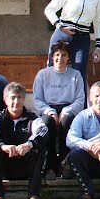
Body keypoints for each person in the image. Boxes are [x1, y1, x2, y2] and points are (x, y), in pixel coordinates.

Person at [0, 82, 49, 199]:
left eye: (19, 97)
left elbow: (43, 131)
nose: (16, 102)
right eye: (12, 97)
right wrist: (2, 146)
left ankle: (33, 195)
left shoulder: (32, 118)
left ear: (24, 99)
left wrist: (29, 144)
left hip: (26, 166)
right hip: (4, 167)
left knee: (40, 148)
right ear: (5, 99)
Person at [43, 0, 100, 90]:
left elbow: (99, 21)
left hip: (82, 37)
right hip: (62, 34)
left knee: (79, 72)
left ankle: (80, 108)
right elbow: (49, 9)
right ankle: (49, 104)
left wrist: (98, 46)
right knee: (52, 68)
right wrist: (60, 26)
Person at [33, 40, 85, 177]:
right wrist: (50, 112)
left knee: (66, 122)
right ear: (52, 57)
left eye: (63, 55)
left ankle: (65, 164)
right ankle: (50, 166)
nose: (59, 58)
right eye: (57, 55)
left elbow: (80, 99)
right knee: (47, 123)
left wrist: (67, 110)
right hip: (48, 109)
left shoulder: (76, 75)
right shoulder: (43, 75)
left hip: (68, 109)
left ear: (68, 58)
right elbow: (37, 100)